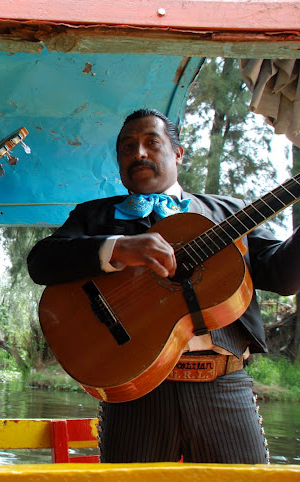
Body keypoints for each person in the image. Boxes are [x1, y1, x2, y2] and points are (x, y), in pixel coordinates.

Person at [27, 108, 300, 464]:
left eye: (150, 143)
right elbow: (41, 261)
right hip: (133, 394)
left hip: (224, 388)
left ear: (177, 153)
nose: (138, 152)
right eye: (127, 147)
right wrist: (118, 247)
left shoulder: (230, 213)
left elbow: (282, 277)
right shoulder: (94, 216)